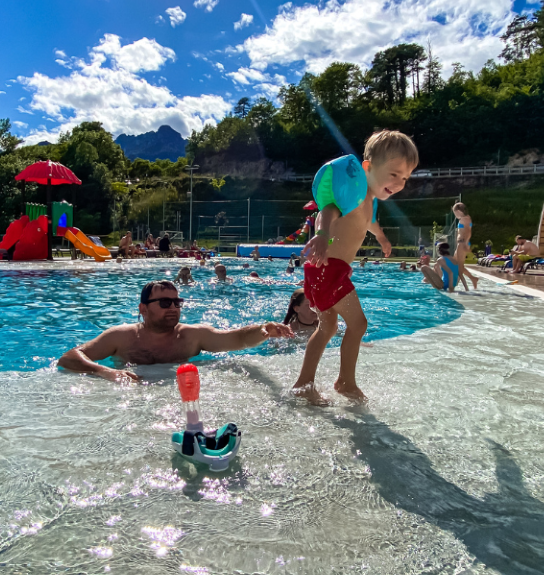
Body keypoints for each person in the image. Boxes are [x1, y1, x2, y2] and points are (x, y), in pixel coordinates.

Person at [295, 129, 418, 403]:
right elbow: (327, 210)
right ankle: (345, 382)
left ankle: (304, 384)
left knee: (326, 329)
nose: (399, 183)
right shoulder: (354, 194)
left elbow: (371, 224)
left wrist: (383, 238)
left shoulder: (369, 202)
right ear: (368, 167)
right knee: (358, 324)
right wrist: (323, 236)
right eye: (394, 174)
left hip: (325, 270)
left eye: (405, 178)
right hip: (329, 267)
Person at [57, 280, 294, 383]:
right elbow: (69, 358)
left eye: (176, 303)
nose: (172, 308)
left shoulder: (192, 335)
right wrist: (105, 372)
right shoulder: (121, 336)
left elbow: (236, 338)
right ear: (143, 309)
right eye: (163, 303)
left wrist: (264, 328)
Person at [452, 202, 479, 290]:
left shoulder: (464, 219)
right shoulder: (466, 218)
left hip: (462, 243)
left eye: (455, 213)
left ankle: (459, 285)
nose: (455, 215)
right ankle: (472, 279)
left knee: (459, 266)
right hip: (462, 243)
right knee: (455, 264)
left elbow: (468, 232)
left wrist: (466, 244)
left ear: (459, 211)